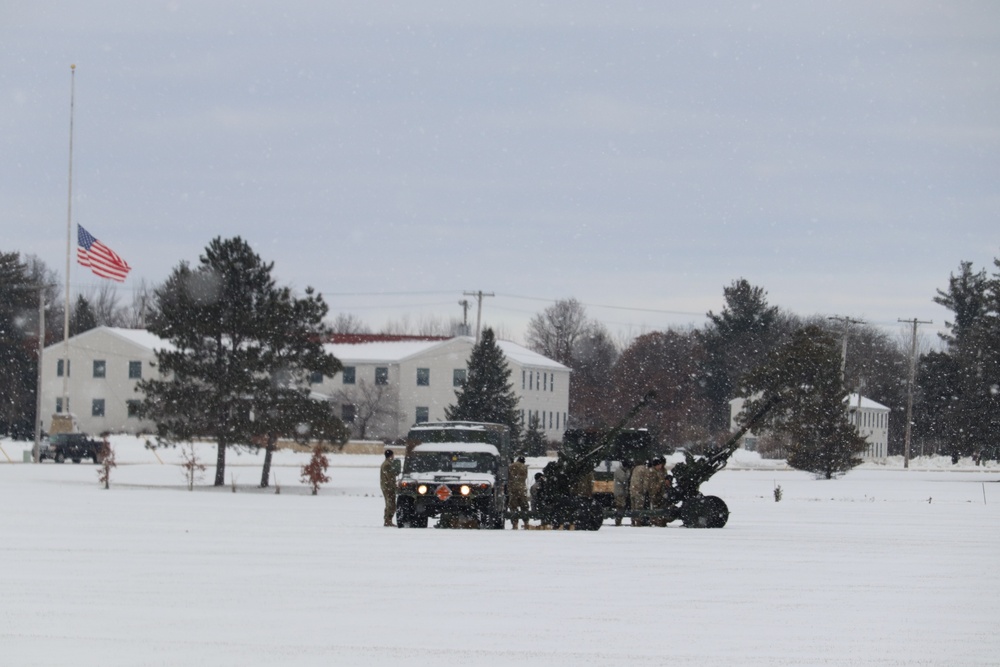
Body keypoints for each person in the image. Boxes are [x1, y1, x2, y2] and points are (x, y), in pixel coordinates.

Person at [508, 455, 529, 529]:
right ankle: (526, 523)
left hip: (512, 489)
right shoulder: (524, 467)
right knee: (524, 506)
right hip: (522, 489)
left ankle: (515, 524)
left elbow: (508, 476)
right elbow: (525, 477)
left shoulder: (511, 466)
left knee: (513, 507)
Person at [380, 449, 400, 527]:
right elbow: (390, 477)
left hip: (388, 486)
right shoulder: (387, 465)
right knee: (390, 504)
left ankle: (388, 520)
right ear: (391, 455)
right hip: (388, 487)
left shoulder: (387, 464)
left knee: (390, 504)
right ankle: (388, 521)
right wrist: (395, 486)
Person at [647, 457, 669, 527]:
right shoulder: (652, 472)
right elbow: (653, 484)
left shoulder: (662, 471)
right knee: (655, 507)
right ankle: (654, 521)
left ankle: (660, 521)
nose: (661, 466)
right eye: (659, 465)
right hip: (654, 493)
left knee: (661, 506)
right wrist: (662, 482)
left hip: (661, 492)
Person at [630, 459, 650, 526]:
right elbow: (645, 481)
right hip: (639, 491)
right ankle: (638, 522)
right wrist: (645, 490)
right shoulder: (645, 469)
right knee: (639, 507)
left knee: (633, 507)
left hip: (632, 490)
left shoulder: (634, 469)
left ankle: (633, 521)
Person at [613, 459, 632, 526]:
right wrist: (628, 473)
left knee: (622, 506)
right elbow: (624, 479)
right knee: (620, 506)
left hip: (622, 492)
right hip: (619, 492)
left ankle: (618, 520)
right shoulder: (619, 471)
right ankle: (618, 521)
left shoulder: (623, 470)